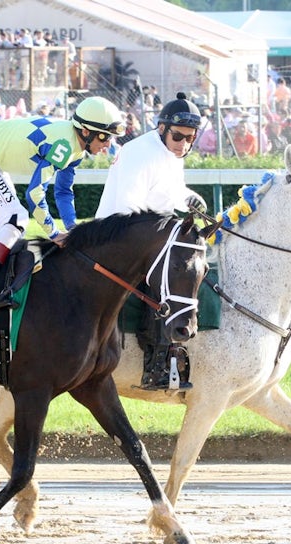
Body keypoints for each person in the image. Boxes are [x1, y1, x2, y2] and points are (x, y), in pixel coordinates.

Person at [0, 95, 125, 308]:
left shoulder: (76, 148)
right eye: (104, 137)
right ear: (85, 131)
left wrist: (72, 229)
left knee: (12, 228)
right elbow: (34, 194)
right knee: (15, 220)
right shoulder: (64, 145)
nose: (108, 145)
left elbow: (63, 192)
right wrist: (53, 233)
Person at [95, 92, 207, 391]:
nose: (183, 144)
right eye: (178, 136)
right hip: (118, 236)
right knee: (165, 277)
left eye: (190, 138)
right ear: (161, 128)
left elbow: (172, 192)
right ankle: (156, 367)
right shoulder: (139, 153)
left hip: (147, 235)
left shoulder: (169, 153)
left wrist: (190, 198)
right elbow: (128, 210)